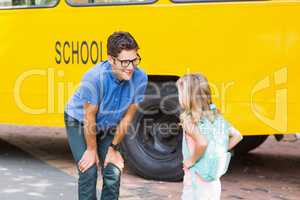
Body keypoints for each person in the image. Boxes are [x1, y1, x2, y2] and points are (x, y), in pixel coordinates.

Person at [64, 31, 148, 200]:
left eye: (134, 60)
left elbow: (128, 118)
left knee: (113, 169)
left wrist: (114, 148)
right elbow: (89, 117)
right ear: (111, 60)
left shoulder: (140, 77)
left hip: (109, 124)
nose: (131, 67)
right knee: (88, 170)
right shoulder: (94, 78)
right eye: (125, 62)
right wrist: (91, 150)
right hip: (80, 121)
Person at [176, 73, 243, 200]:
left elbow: (202, 143)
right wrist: (218, 150)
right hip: (213, 179)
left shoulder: (189, 120)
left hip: (196, 179)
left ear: (188, 97)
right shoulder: (216, 116)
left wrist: (192, 160)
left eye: (180, 93)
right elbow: (237, 136)